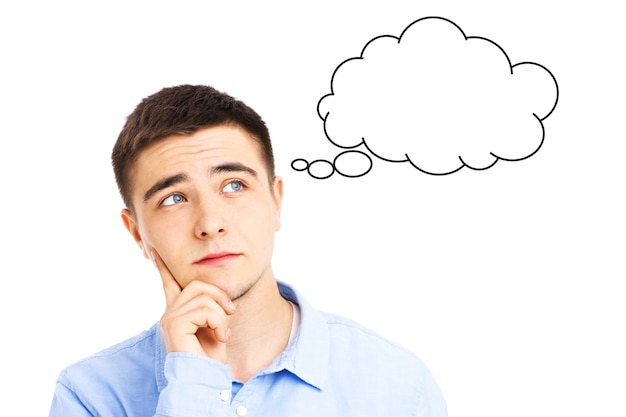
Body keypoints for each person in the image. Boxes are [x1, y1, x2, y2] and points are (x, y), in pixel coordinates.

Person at [48, 84, 448, 417]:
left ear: (276, 201)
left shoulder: (394, 382)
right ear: (137, 233)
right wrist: (193, 382)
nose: (210, 222)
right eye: (173, 199)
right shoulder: (91, 396)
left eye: (234, 186)